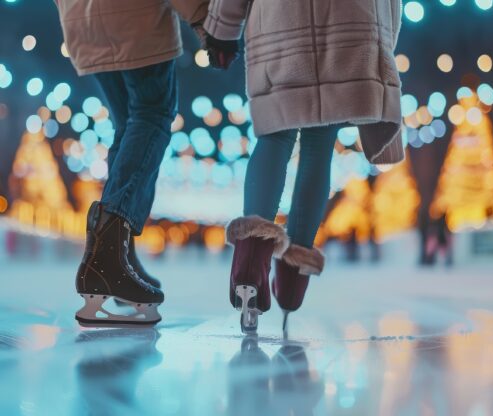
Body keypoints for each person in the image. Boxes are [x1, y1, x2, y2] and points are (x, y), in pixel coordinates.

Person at [204, 0, 405, 333]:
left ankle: (250, 263)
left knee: (275, 135)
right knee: (319, 147)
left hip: (281, 21)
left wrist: (220, 30)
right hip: (352, 23)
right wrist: (383, 41)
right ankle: (293, 283)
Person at [54, 0, 236, 327]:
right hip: (134, 21)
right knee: (153, 114)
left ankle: (118, 256)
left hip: (82, 23)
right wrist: (204, 20)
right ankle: (109, 259)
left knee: (129, 124)